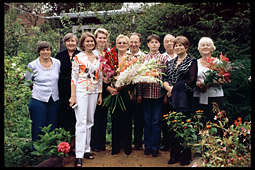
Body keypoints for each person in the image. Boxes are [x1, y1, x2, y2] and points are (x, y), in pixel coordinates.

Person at [69, 32, 103, 167]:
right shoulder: (78, 57)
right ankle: (78, 154)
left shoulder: (98, 58)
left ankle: (87, 149)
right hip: (81, 91)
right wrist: (73, 96)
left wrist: (100, 94)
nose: (90, 43)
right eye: (87, 41)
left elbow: (99, 77)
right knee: (81, 121)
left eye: (92, 41)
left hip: (94, 91)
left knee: (90, 120)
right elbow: (74, 77)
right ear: (83, 43)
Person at [163, 36, 197, 165]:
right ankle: (174, 155)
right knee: (173, 127)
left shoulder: (192, 61)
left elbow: (191, 81)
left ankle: (185, 156)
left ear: (186, 47)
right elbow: (164, 77)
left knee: (185, 127)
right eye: (176, 45)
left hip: (185, 100)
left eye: (180, 45)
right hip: (172, 99)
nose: (177, 47)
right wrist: (167, 87)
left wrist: (174, 88)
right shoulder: (171, 62)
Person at [25, 41, 61, 149]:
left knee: (52, 126)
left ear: (50, 51)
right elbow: (28, 82)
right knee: (38, 126)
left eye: (48, 50)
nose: (45, 52)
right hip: (38, 100)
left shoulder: (57, 63)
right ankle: (37, 152)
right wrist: (37, 90)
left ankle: (50, 152)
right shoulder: (32, 65)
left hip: (54, 99)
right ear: (39, 52)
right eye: (43, 50)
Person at [137, 34, 168, 157]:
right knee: (147, 120)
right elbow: (139, 77)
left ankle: (155, 147)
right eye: (151, 42)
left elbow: (166, 77)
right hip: (146, 94)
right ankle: (147, 145)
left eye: (156, 42)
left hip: (158, 95)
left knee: (156, 121)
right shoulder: (143, 58)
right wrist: (139, 93)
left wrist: (165, 94)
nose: (154, 44)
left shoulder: (163, 58)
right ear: (148, 44)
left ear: (159, 44)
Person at [106, 34, 132, 156]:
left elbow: (133, 77)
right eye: (119, 43)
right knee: (115, 119)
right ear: (116, 45)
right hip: (114, 92)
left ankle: (127, 146)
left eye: (124, 43)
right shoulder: (111, 58)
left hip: (126, 92)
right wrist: (111, 87)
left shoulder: (131, 59)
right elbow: (105, 74)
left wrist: (122, 86)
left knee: (126, 120)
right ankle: (115, 146)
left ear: (128, 45)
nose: (121, 45)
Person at [55, 33, 80, 154]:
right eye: (68, 41)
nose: (71, 43)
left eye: (73, 41)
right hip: (63, 89)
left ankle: (74, 144)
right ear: (65, 43)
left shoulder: (81, 54)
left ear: (76, 42)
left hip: (77, 88)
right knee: (63, 116)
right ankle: (63, 145)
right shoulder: (59, 56)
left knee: (74, 117)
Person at [193, 37, 224, 127]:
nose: (205, 47)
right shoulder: (195, 63)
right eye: (203, 45)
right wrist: (197, 84)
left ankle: (216, 141)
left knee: (216, 123)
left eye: (208, 45)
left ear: (212, 48)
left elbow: (223, 80)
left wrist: (208, 84)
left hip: (215, 97)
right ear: (199, 48)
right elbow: (190, 79)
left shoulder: (218, 62)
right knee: (200, 123)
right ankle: (201, 141)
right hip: (198, 97)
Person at [91, 28, 110, 152]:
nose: (102, 40)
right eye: (100, 38)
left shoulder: (110, 52)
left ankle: (102, 143)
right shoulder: (92, 53)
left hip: (109, 87)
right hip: (95, 87)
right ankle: (94, 143)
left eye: (104, 38)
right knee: (95, 115)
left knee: (103, 116)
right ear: (96, 39)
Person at [127, 32, 145, 150]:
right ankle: (126, 143)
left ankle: (138, 143)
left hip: (140, 91)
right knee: (127, 119)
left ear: (140, 43)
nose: (133, 44)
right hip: (125, 92)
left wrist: (140, 93)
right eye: (131, 42)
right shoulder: (124, 55)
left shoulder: (144, 57)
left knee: (139, 119)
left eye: (136, 42)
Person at [160, 34, 177, 151]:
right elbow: (160, 76)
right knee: (165, 119)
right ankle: (166, 143)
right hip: (164, 93)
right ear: (163, 44)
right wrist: (166, 91)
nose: (169, 43)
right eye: (167, 41)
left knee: (177, 118)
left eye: (171, 41)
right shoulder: (161, 57)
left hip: (179, 94)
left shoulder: (181, 57)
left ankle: (176, 144)